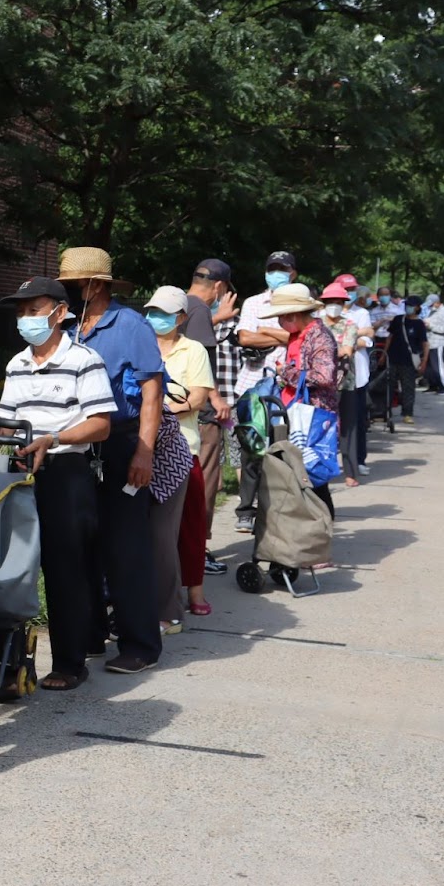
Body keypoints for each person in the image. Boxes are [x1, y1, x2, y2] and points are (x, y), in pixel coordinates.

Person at [0, 277, 115, 693]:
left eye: (34, 310)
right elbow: (7, 412)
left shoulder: (84, 360)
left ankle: (70, 664)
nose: (26, 319)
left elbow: (101, 425)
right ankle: (0, 669)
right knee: (9, 568)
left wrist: (55, 438)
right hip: (17, 470)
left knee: (63, 569)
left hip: (65, 472)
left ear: (60, 313)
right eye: (20, 312)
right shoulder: (17, 364)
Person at [58, 248, 165, 675]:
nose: (66, 291)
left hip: (121, 442)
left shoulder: (131, 325)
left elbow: (152, 391)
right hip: (78, 445)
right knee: (80, 543)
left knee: (125, 546)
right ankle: (90, 634)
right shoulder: (66, 327)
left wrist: (144, 450)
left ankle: (140, 643)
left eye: (72, 285)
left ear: (96, 285)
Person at [144, 287, 213, 629]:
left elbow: (199, 396)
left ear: (181, 318)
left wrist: (166, 409)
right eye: (153, 311)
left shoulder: (194, 350)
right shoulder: (140, 345)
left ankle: (193, 594)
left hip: (183, 448)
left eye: (165, 313)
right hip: (143, 447)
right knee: (152, 532)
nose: (157, 318)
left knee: (188, 527)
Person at [260, 283, 339, 516]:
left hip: (313, 417)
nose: (278, 323)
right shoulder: (298, 335)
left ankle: (322, 528)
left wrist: (285, 372)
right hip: (295, 413)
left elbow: (324, 377)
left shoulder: (320, 337)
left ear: (292, 315)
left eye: (280, 317)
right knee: (296, 473)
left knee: (314, 476)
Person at [232, 251, 296, 535]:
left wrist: (265, 331)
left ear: (293, 273)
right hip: (252, 386)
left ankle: (278, 509)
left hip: (286, 389)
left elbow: (301, 339)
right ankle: (246, 510)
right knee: (251, 449)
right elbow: (245, 337)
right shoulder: (254, 302)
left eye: (282, 269)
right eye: (273, 268)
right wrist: (282, 335)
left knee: (282, 450)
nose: (276, 273)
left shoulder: (300, 304)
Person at [186, 259, 238, 573]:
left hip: (177, 410)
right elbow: (201, 360)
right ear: (219, 286)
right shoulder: (201, 310)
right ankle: (197, 552)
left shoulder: (179, 304)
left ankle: (186, 549)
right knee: (204, 484)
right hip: (201, 415)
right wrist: (217, 400)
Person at [319, 282, 366, 486]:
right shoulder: (316, 323)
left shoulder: (350, 325)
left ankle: (350, 471)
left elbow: (347, 350)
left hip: (344, 382)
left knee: (348, 427)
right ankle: (319, 470)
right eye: (331, 302)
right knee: (320, 427)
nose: (334, 305)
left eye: (338, 302)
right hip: (320, 383)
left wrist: (322, 353)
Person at [334, 274, 375, 476]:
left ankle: (358, 460)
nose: (350, 294)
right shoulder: (326, 313)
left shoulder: (362, 313)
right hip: (331, 376)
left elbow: (365, 342)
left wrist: (341, 340)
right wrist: (355, 335)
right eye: (347, 290)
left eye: (352, 290)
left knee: (356, 420)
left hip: (357, 375)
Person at [388, 295, 430, 424]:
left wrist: (424, 362)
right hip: (393, 358)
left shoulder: (419, 324)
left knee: (408, 388)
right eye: (407, 305)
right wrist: (384, 354)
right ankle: (384, 411)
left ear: (417, 307)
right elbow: (390, 337)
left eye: (411, 305)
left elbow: (425, 344)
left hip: (409, 362)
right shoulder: (398, 319)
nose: (408, 307)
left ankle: (407, 413)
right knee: (388, 386)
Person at [422, 294, 444, 393]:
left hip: (438, 343)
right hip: (429, 343)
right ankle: (433, 385)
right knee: (430, 367)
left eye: (431, 304)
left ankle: (443, 387)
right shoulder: (431, 312)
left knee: (438, 366)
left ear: (437, 302)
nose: (430, 306)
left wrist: (430, 326)